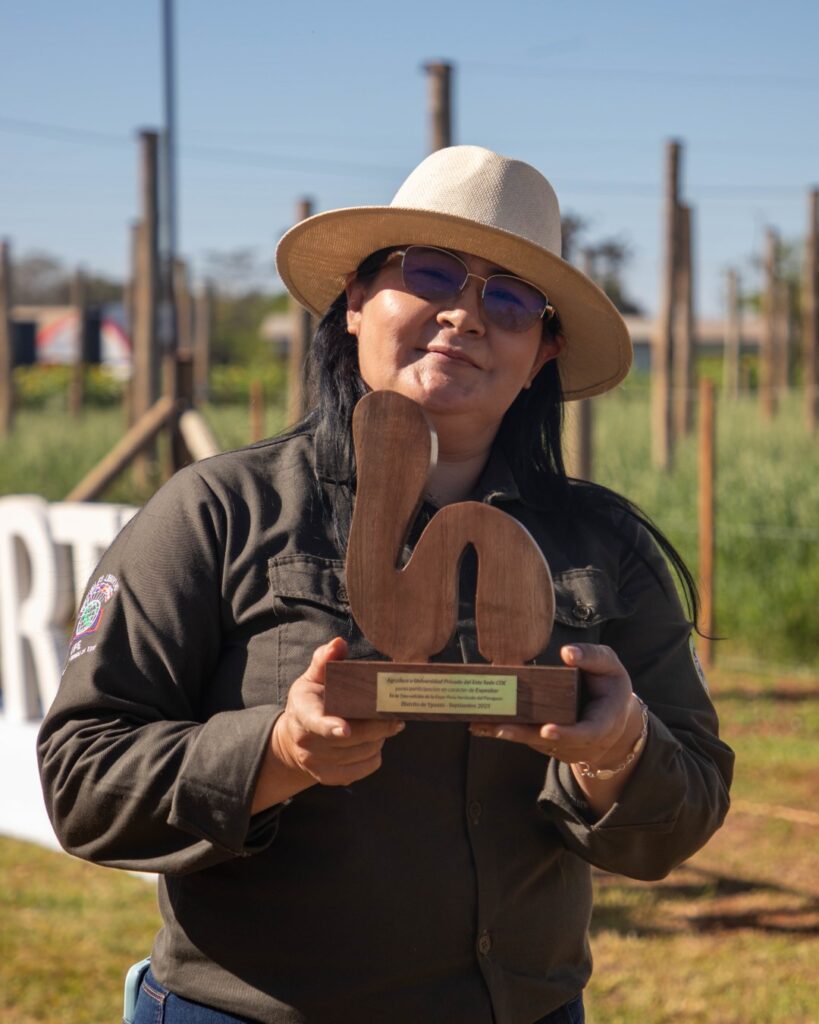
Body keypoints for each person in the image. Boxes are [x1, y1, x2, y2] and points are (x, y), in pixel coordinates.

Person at [38, 145, 733, 1024]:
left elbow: (690, 804)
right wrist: (279, 756)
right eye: (432, 273)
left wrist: (618, 753)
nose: (465, 315)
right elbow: (81, 781)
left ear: (542, 353)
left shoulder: (606, 545)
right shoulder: (215, 512)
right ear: (357, 303)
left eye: (511, 299)